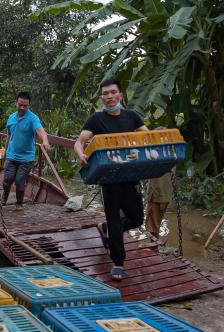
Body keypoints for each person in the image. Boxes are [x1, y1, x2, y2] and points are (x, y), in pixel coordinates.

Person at [74, 78, 148, 281]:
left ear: (120, 95)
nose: (109, 96)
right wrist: (81, 154)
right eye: (105, 94)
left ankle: (106, 229)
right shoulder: (96, 120)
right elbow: (79, 142)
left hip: (130, 175)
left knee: (136, 218)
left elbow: (147, 138)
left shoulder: (132, 117)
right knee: (114, 219)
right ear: (101, 98)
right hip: (108, 177)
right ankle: (118, 263)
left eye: (113, 92)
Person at [4, 92, 51, 211]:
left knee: (20, 181)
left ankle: (19, 203)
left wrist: (45, 140)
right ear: (16, 103)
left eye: (25, 106)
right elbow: (9, 135)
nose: (22, 108)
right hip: (11, 155)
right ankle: (4, 198)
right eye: (20, 105)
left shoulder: (32, 118)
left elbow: (39, 130)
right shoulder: (11, 118)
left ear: (29, 105)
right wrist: (4, 151)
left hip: (26, 158)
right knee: (7, 179)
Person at [145, 170, 174, 239]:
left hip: (156, 194)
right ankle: (156, 247)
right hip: (166, 194)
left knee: (152, 227)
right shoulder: (172, 160)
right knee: (155, 224)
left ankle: (155, 248)